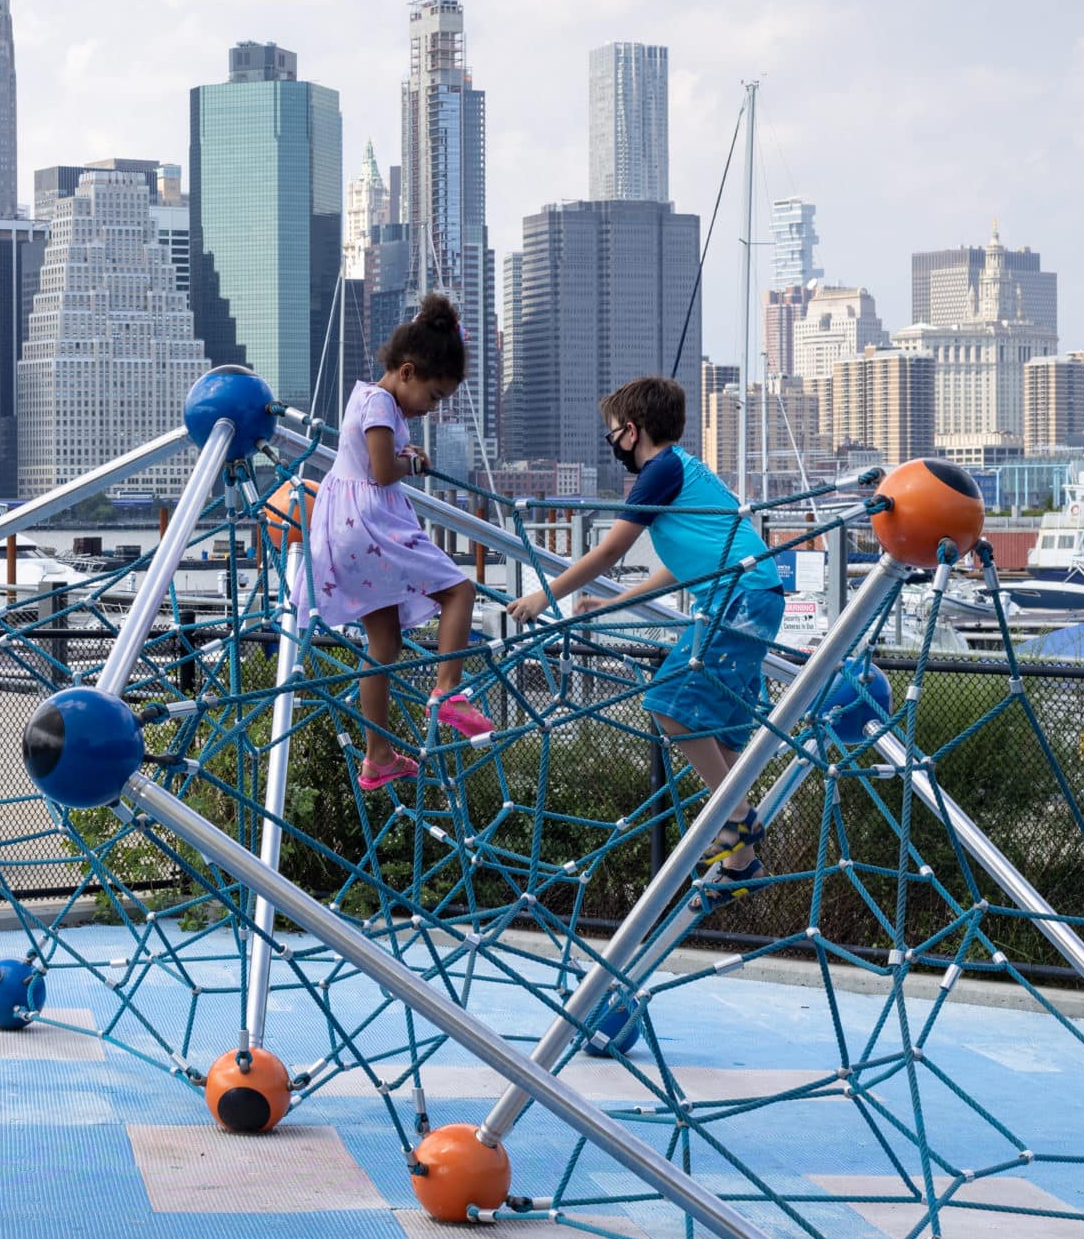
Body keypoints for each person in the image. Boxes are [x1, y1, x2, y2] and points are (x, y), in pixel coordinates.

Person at [522, 374, 783, 897]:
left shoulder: (660, 470)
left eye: (613, 433)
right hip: (757, 595)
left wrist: (542, 596)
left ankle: (735, 820)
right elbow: (678, 568)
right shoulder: (685, 471)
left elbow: (606, 552)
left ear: (632, 431)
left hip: (737, 598)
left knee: (668, 703)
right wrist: (612, 603)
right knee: (725, 736)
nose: (613, 443)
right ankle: (745, 863)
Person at [301, 293, 491, 792]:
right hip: (369, 523)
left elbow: (373, 457)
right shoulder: (381, 401)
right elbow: (383, 471)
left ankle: (377, 755)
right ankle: (449, 691)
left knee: (384, 643)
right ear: (407, 372)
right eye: (434, 396)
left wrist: (407, 452)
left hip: (346, 525)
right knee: (460, 592)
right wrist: (413, 464)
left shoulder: (369, 397)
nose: (432, 408)